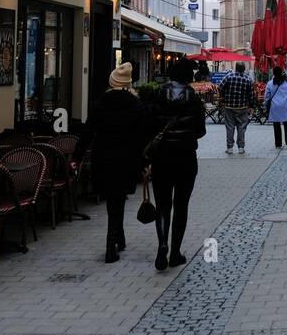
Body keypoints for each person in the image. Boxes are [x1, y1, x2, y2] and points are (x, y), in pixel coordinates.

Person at [77, 63, 147, 264]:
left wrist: (76, 157)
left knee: (112, 198)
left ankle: (117, 237)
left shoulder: (100, 103)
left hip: (104, 157)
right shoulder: (135, 105)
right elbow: (142, 136)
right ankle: (112, 242)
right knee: (119, 197)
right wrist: (144, 162)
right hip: (126, 158)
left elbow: (88, 132)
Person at [148, 58, 206, 271]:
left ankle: (162, 244)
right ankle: (175, 253)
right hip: (185, 157)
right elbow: (201, 130)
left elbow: (150, 123)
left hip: (162, 157)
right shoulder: (193, 97)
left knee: (163, 205)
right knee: (181, 205)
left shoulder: (158, 94)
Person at [220, 61, 254, 155]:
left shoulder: (228, 76)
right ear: (244, 69)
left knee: (230, 127)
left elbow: (220, 87)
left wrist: (224, 98)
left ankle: (230, 148)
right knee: (241, 127)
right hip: (243, 107)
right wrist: (251, 106)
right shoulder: (248, 79)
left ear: (235, 68)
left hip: (229, 106)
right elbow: (251, 95)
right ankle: (241, 148)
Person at [264, 66, 287, 150]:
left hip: (275, 107)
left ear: (273, 73)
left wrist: (265, 105)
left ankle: (278, 143)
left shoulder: (270, 84)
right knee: (286, 124)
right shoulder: (286, 83)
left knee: (276, 125)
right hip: (285, 106)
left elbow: (266, 96)